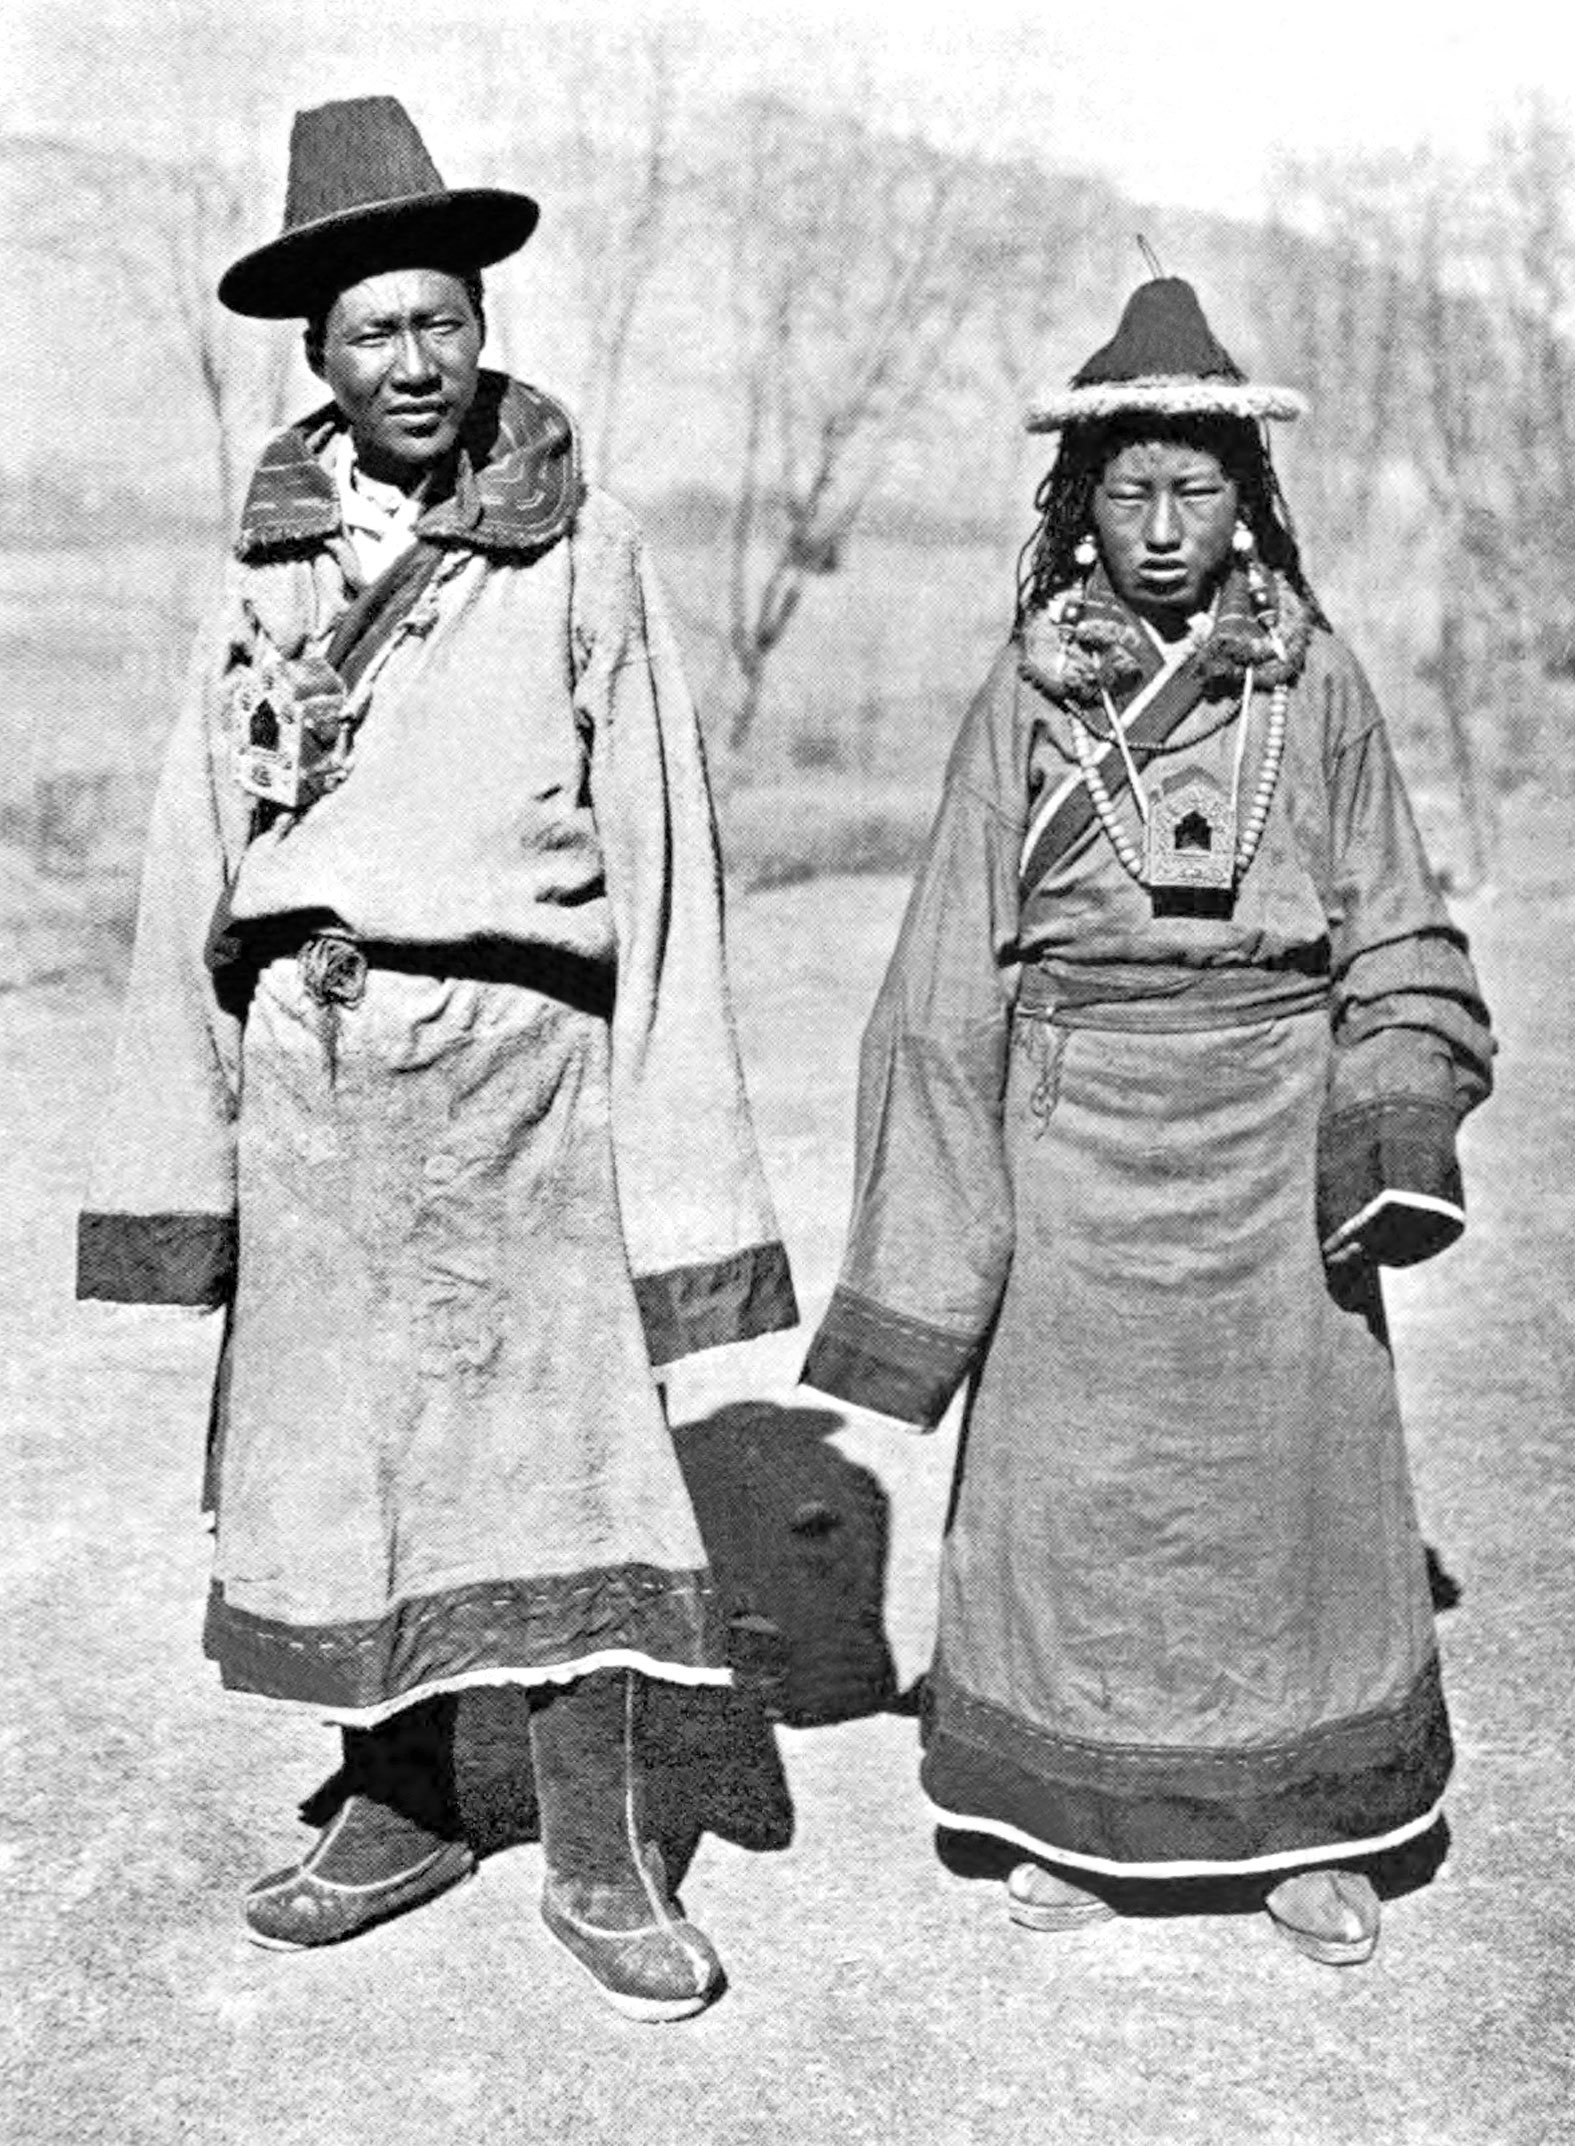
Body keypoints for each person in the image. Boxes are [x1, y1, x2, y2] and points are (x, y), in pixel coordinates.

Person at [77, 96, 798, 2024]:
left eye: (443, 322)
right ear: (318, 357)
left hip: (521, 1075)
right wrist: (187, 1149)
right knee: (347, 1460)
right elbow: (195, 851)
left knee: (568, 1459)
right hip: (319, 1079)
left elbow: (664, 854)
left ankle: (595, 1849)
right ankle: (395, 1812)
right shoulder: (265, 566)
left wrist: (686, 1168)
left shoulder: (587, 550)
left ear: (485, 330)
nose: (415, 362)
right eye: (374, 332)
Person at [802, 275, 1493, 1967]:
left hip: (1269, 1152)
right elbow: (944, 977)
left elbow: (1399, 924)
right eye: (1130, 493)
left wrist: (1389, 1115)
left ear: (1247, 499)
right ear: (1081, 504)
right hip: (1078, 1150)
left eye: (1198, 489)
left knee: (1282, 1493)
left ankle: (1309, 1827)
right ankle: (1071, 1810)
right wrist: (928, 1270)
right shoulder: (1030, 693)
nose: (1165, 529)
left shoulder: (1314, 683)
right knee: (1082, 1488)